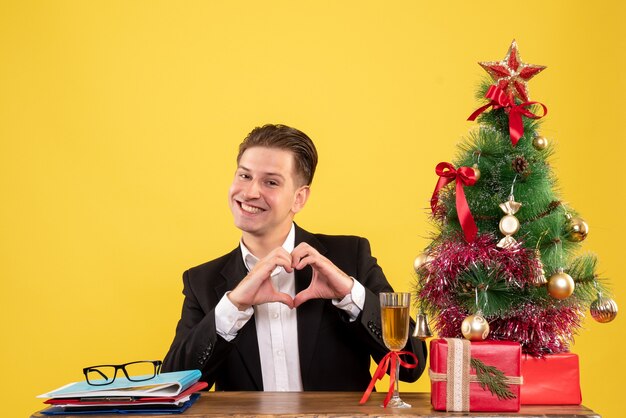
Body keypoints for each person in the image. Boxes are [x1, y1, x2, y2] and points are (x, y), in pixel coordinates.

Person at [162, 124, 427, 391]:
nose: (250, 192)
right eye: (244, 176)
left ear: (299, 198)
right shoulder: (202, 281)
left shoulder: (350, 257)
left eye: (271, 182)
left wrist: (349, 294)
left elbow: (411, 365)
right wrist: (233, 305)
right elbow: (174, 384)